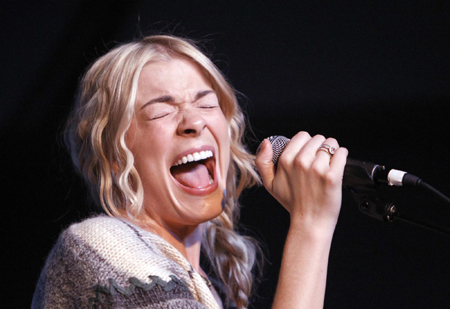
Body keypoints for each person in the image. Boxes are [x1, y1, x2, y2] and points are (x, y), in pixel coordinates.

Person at [32, 35, 348, 309]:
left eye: (207, 105)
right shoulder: (100, 246)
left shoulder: (207, 288)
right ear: (114, 154)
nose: (194, 122)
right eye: (161, 111)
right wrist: (311, 225)